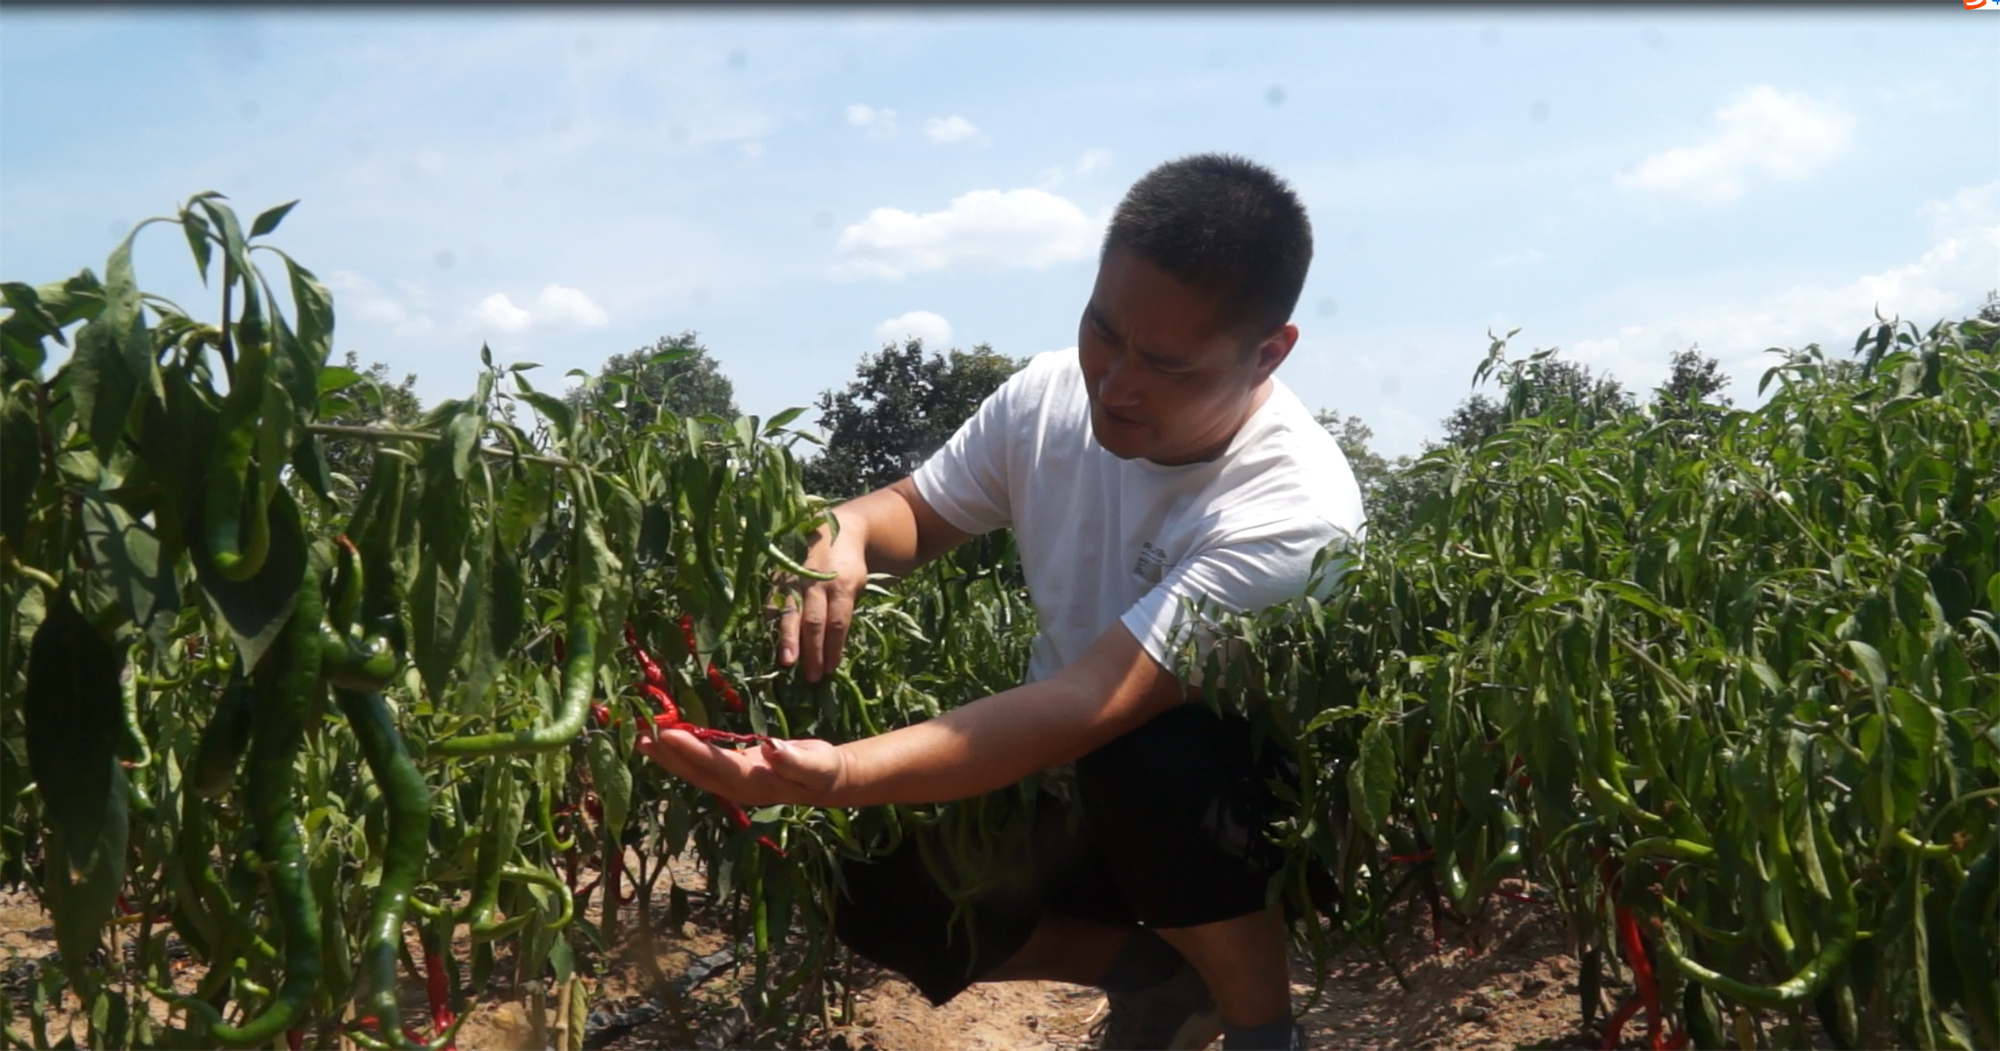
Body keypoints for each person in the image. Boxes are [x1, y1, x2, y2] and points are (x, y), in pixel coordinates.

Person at [637, 153, 1365, 1051]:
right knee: (849, 860)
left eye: (1167, 364)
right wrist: (843, 533)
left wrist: (843, 770)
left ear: (1269, 352)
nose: (1117, 381)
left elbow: (1088, 704)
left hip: (1234, 823)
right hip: (1063, 789)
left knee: (1155, 760)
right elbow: (910, 511)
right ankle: (1156, 980)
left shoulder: (1290, 510)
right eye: (1105, 329)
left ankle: (1263, 1027)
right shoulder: (1049, 395)